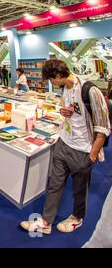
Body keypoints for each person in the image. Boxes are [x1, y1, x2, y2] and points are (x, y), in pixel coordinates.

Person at [20, 59, 110, 235]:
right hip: (63, 143)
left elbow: (103, 127)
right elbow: (75, 111)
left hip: (83, 149)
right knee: (55, 183)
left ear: (59, 75)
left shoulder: (90, 90)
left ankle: (77, 218)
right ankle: (46, 222)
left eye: (52, 79)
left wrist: (92, 155)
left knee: (79, 189)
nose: (51, 83)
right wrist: (67, 112)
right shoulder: (65, 88)